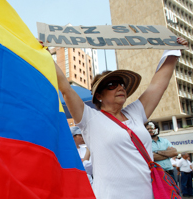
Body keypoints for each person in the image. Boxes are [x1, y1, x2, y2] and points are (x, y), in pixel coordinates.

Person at [52, 37, 187, 199]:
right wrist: (45, 54)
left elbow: (159, 83)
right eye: (112, 85)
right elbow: (66, 89)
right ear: (99, 95)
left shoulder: (135, 112)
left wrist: (173, 51)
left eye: (121, 84)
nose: (120, 87)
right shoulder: (89, 118)